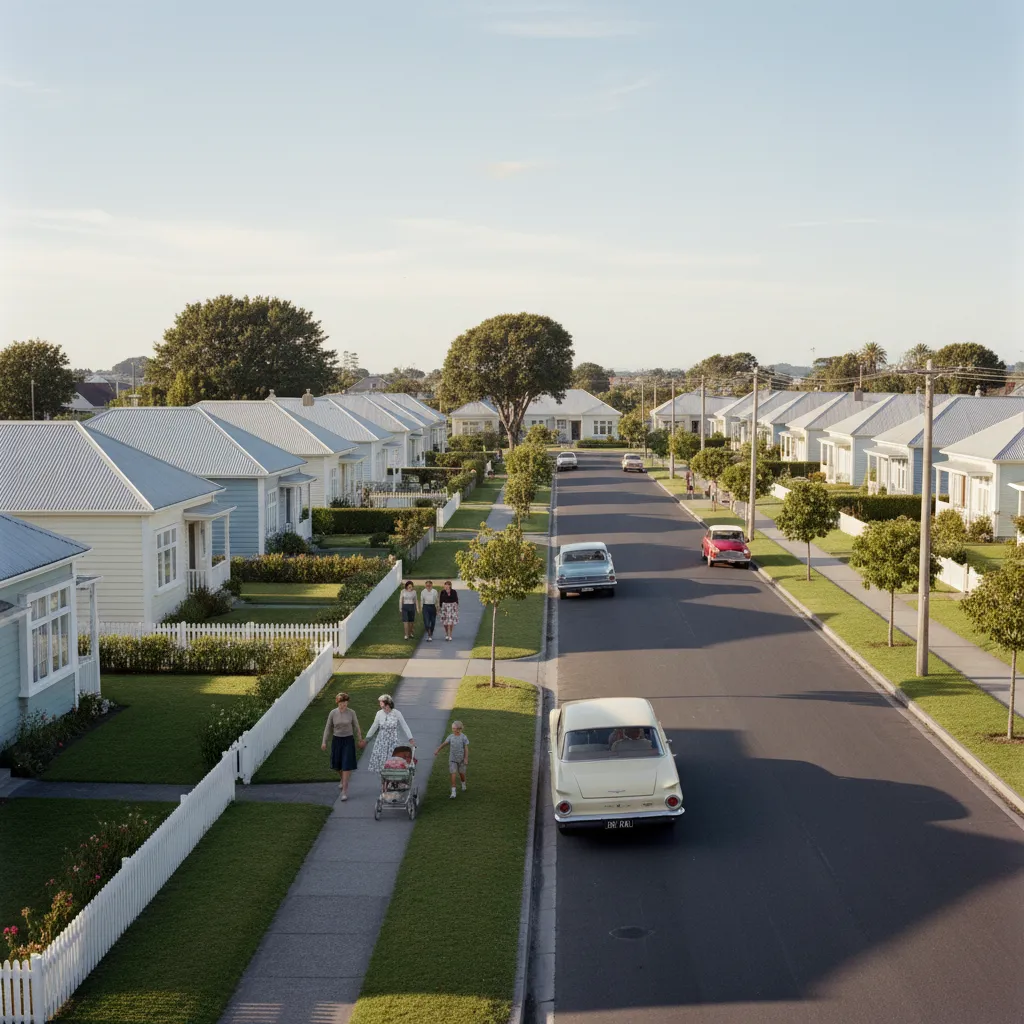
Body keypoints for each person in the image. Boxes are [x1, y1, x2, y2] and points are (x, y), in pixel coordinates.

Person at [320, 691, 365, 801]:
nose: (343, 705)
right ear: (337, 702)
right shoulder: (333, 713)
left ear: (347, 703)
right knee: (337, 765)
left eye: (345, 703)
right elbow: (328, 728)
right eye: (341, 703)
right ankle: (342, 778)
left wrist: (360, 738)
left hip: (348, 741)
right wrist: (324, 741)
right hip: (337, 740)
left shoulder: (351, 713)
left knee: (346, 765)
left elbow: (356, 726)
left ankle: (344, 791)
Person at [365, 694, 415, 774]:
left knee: (392, 762)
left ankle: (391, 779)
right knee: (382, 762)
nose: (380, 704)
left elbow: (404, 725)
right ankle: (384, 782)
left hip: (393, 740)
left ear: (387, 703)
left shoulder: (396, 713)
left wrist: (410, 738)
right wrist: (367, 739)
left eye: (381, 702)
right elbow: (374, 726)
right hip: (381, 741)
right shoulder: (379, 713)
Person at [435, 719, 469, 798]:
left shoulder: (463, 737)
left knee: (461, 774)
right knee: (453, 774)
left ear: (458, 729)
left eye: (454, 728)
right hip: (452, 759)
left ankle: (463, 784)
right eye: (452, 728)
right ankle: (453, 792)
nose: (453, 729)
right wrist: (437, 750)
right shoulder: (451, 737)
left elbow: (466, 748)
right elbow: (444, 744)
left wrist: (466, 758)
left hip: (461, 759)